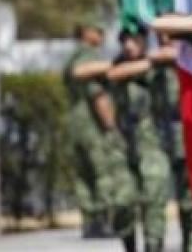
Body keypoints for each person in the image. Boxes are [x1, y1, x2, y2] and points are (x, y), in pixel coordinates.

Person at [107, 24, 171, 252]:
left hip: (152, 144)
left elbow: (173, 53)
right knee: (122, 202)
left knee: (154, 202)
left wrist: (153, 61)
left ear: (144, 41)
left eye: (133, 40)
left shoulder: (159, 65)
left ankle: (154, 247)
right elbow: (113, 74)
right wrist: (146, 64)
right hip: (123, 146)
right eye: (124, 40)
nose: (128, 45)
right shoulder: (119, 65)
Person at [62, 22, 121, 238]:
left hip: (74, 123)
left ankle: (89, 222)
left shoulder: (73, 55)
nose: (102, 34)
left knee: (83, 175)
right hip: (90, 124)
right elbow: (96, 94)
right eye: (98, 30)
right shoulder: (89, 56)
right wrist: (110, 124)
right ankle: (103, 220)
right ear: (86, 32)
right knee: (102, 171)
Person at [147, 33, 192, 252]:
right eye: (161, 36)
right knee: (155, 198)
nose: (165, 39)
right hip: (160, 142)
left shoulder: (189, 59)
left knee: (190, 203)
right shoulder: (154, 66)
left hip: (189, 138)